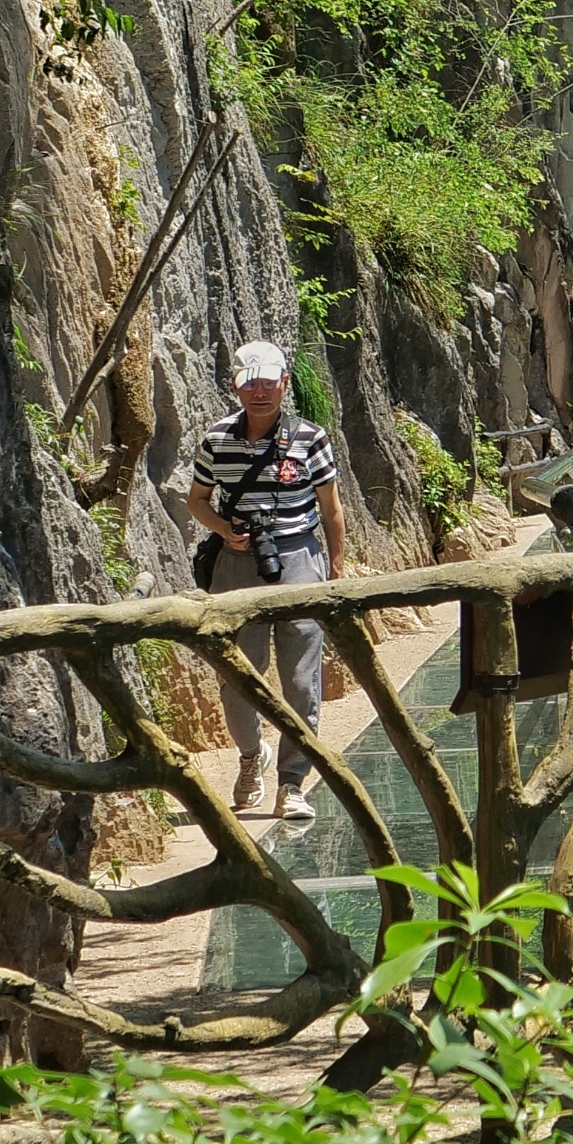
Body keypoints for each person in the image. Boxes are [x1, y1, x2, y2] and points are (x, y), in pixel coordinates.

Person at [186, 340, 347, 823]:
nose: (260, 392)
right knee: (237, 676)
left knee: (301, 679)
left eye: (268, 381)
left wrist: (337, 569)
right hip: (235, 566)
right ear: (235, 385)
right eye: (249, 382)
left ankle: (293, 783)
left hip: (299, 557)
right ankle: (251, 757)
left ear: (285, 383)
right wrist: (224, 530)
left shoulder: (310, 438)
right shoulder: (216, 439)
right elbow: (197, 500)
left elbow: (331, 508)